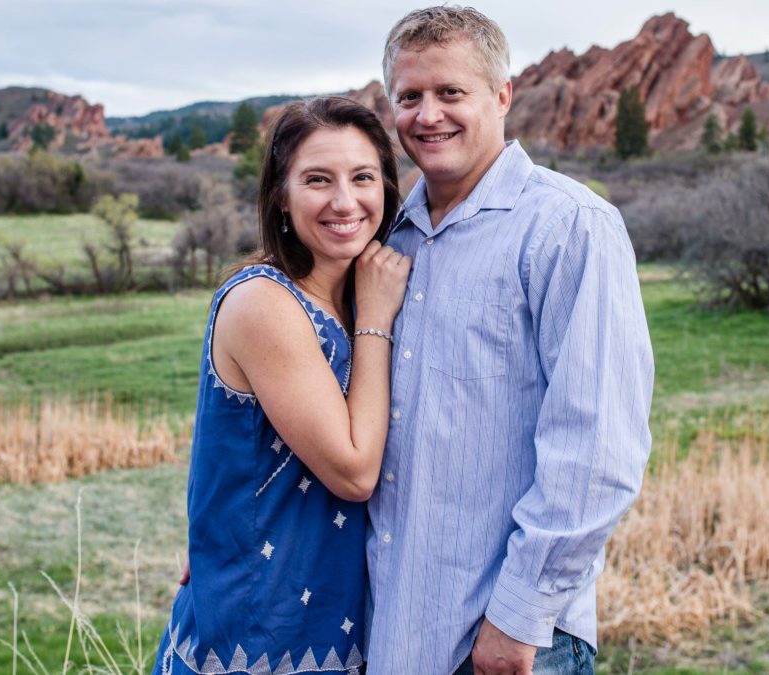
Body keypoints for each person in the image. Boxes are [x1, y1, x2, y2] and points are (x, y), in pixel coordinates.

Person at [365, 7, 655, 675]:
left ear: (501, 96)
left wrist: (518, 616)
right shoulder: (386, 240)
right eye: (409, 97)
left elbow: (598, 446)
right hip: (396, 628)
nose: (427, 114)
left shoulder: (569, 226)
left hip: (510, 641)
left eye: (450, 92)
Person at [152, 96, 410, 675]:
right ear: (281, 196)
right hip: (256, 635)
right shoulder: (264, 301)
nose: (346, 201)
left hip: (341, 627)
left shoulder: (356, 293)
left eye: (363, 177)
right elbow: (354, 471)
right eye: (318, 179)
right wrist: (375, 317)